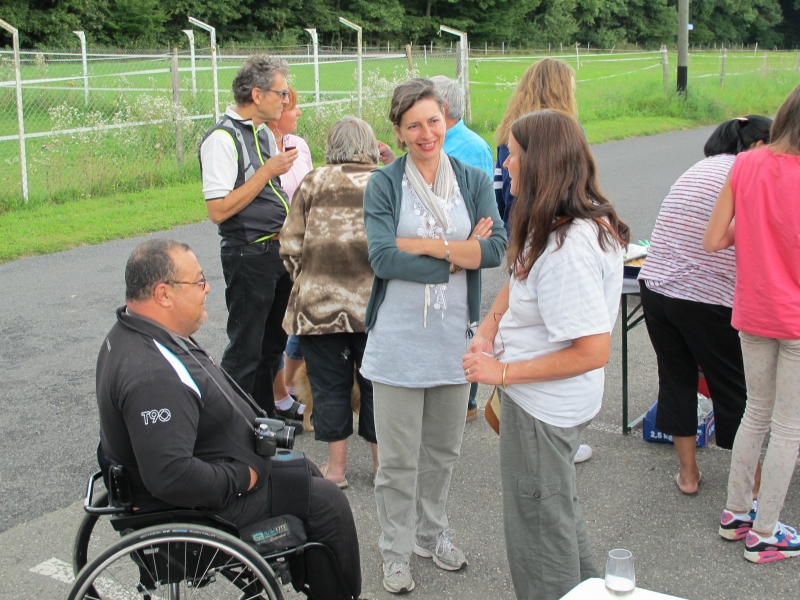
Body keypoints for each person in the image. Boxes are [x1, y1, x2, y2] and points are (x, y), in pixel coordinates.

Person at [96, 239, 362, 599]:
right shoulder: (151, 376)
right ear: (163, 294)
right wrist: (243, 476)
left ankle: (312, 577)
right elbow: (171, 475)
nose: (207, 289)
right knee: (328, 503)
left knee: (305, 472)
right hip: (192, 505)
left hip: (214, 463)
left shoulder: (136, 332)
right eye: (198, 281)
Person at [463, 109, 629, 600]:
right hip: (542, 402)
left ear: (541, 162)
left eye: (513, 154)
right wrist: (488, 330)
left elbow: (592, 351)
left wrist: (503, 371)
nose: (506, 164)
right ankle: (583, 589)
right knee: (556, 512)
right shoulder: (554, 220)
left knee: (538, 535)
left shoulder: (569, 246)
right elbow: (518, 281)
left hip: (543, 408)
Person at [361, 78, 507, 594]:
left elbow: (495, 251)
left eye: (433, 121)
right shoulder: (383, 184)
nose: (426, 133)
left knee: (443, 452)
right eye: (413, 125)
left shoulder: (470, 177)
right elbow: (381, 257)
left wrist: (425, 247)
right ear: (398, 133)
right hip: (399, 343)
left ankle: (431, 533)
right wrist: (455, 250)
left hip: (453, 341)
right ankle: (394, 551)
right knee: (397, 461)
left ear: (445, 117)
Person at [638, 116, 772, 496]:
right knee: (733, 387)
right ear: (760, 145)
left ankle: (688, 475)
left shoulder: (697, 168)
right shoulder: (750, 172)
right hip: (707, 298)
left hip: (656, 287)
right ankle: (754, 485)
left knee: (676, 379)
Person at [704, 84, 800, 564]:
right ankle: (765, 534)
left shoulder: (745, 164)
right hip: (796, 318)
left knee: (756, 413)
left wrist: (758, 222)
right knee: (788, 426)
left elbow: (713, 239)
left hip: (754, 310)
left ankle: (736, 513)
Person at [493, 57, 592, 465]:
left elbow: (501, 195)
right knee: (558, 331)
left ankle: (518, 411)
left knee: (523, 318)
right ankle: (556, 427)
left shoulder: (505, 133)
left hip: (521, 235)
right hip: (548, 230)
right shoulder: (566, 135)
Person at [199, 55, 303, 424]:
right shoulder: (222, 139)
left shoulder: (259, 133)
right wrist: (267, 172)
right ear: (257, 95)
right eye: (281, 93)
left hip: (276, 251)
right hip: (249, 252)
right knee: (246, 347)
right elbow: (218, 209)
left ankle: (260, 417)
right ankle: (227, 425)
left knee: (272, 343)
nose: (286, 101)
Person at [280, 117, 380, 489]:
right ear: (370, 144)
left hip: (318, 309)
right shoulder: (384, 181)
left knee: (328, 386)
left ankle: (336, 470)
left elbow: (289, 246)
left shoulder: (313, 181)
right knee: (377, 386)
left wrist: (307, 279)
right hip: (375, 309)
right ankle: (381, 467)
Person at [431, 74, 494, 424]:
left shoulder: (472, 148)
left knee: (461, 321)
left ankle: (466, 399)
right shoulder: (432, 142)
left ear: (442, 108)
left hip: (462, 251)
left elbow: (481, 212)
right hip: (434, 248)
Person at [266, 86, 313, 415]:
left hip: (303, 246)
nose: (297, 113)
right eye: (292, 107)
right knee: (273, 327)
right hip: (273, 246)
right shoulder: (261, 149)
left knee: (293, 320)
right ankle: (277, 396)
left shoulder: (300, 145)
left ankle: (289, 391)